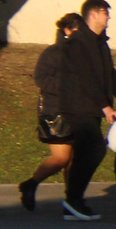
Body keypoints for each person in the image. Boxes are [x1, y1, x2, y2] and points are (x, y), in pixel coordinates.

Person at [54, 0, 116, 220]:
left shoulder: (100, 43)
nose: (109, 17)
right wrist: (106, 107)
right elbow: (85, 79)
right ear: (94, 14)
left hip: (91, 108)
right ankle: (73, 200)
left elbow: (110, 72)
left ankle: (73, 202)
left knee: (85, 153)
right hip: (77, 107)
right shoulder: (77, 42)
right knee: (94, 150)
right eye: (106, 12)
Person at [18, 13, 87, 212]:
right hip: (55, 111)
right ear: (67, 30)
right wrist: (67, 87)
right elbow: (41, 78)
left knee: (74, 159)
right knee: (62, 158)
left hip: (78, 111)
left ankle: (72, 200)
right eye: (77, 30)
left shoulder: (83, 54)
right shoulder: (54, 53)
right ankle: (31, 184)